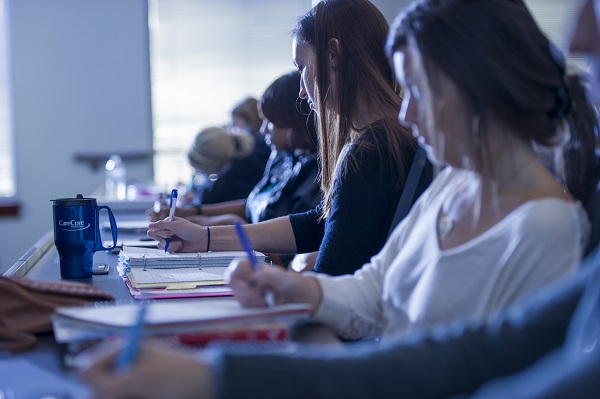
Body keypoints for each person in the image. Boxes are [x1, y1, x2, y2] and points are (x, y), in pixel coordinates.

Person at [82, 0, 600, 398]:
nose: (406, 113)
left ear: (475, 88)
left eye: (418, 90)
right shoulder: (454, 184)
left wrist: (220, 375)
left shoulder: (547, 228)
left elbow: (445, 371)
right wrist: (295, 288)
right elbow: (375, 291)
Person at [147, 0, 432, 276]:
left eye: (302, 67)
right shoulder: (394, 137)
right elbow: (320, 224)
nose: (302, 92)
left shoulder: (369, 152)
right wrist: (204, 238)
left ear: (333, 55)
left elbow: (330, 276)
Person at [150, 71, 321, 230]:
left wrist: (232, 224)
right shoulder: (282, 158)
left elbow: (293, 251)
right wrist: (187, 213)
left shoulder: (314, 172)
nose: (262, 131)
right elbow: (251, 205)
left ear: (295, 123)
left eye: (271, 123)